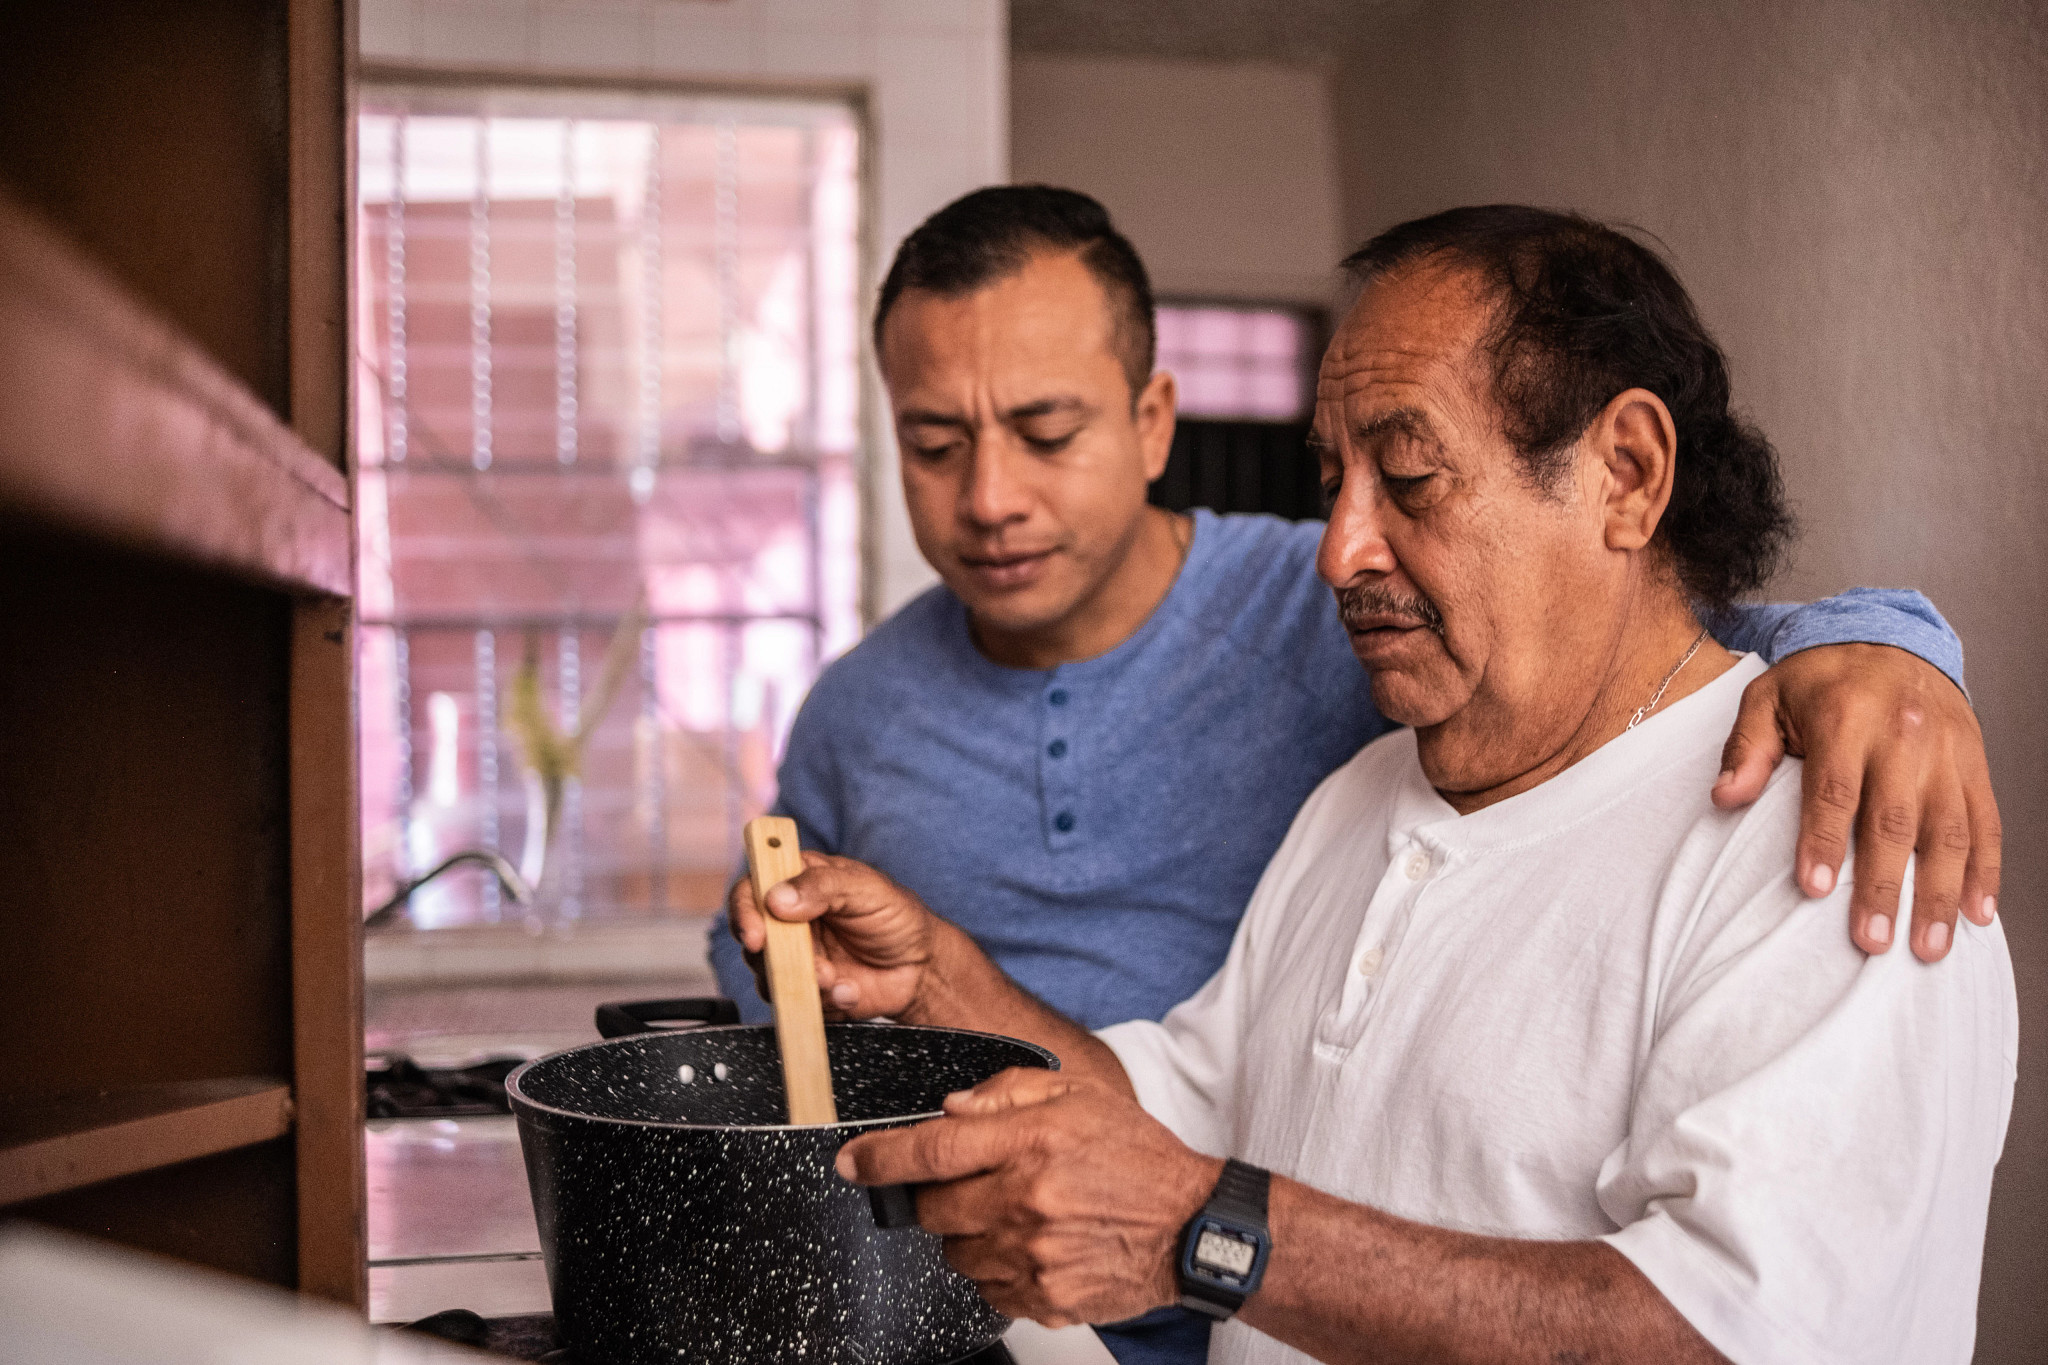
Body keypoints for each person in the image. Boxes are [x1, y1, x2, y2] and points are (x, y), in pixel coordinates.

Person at [708, 187, 1999, 1365]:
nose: (1339, 551)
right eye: (1335, 480)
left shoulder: (1842, 836)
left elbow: (1739, 1335)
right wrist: (942, 974)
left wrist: (1206, 1231)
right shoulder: (1368, 794)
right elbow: (1175, 1114)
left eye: (1413, 475)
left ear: (1627, 474)